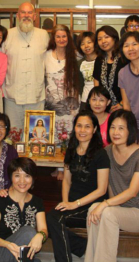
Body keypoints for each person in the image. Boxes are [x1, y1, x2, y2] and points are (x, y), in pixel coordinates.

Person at [85, 110, 139, 262]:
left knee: (108, 213)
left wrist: (105, 205)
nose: (115, 132)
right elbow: (109, 185)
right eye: (112, 127)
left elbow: (132, 192)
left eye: (121, 128)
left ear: (130, 130)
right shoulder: (107, 152)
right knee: (93, 209)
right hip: (120, 209)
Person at [47, 110, 110, 262]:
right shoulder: (71, 150)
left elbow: (101, 189)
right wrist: (65, 203)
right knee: (47, 219)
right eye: (79, 126)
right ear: (74, 128)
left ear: (94, 129)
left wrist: (75, 204)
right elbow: (67, 181)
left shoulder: (100, 154)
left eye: (87, 127)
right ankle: (84, 246)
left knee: (53, 220)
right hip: (73, 203)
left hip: (92, 206)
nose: (82, 130)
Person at [0, 157, 48, 262]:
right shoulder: (0, 201)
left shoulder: (37, 202)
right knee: (29, 232)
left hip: (21, 255)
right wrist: (8, 245)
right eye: (17, 176)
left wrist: (40, 236)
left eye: (27, 176)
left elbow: (43, 229)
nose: (22, 181)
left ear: (33, 179)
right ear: (11, 177)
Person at [1, 2, 50, 133]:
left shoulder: (43, 35)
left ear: (34, 16)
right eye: (23, 12)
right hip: (13, 96)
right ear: (18, 15)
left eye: (29, 13)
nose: (26, 15)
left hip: (37, 96)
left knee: (36, 138)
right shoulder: (7, 35)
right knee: (13, 135)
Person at [44, 24, 80, 145]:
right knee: (52, 137)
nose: (61, 39)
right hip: (51, 104)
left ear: (68, 37)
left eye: (64, 36)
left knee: (69, 137)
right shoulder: (46, 55)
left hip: (70, 105)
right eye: (58, 36)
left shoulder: (76, 55)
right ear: (53, 38)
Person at [92, 26, 127, 112]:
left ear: (114, 38)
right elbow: (97, 87)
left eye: (106, 37)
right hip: (104, 108)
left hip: (124, 107)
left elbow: (132, 86)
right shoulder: (99, 60)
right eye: (99, 39)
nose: (103, 41)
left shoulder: (124, 59)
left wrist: (122, 104)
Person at [76, 32, 98, 111]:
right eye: (82, 44)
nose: (86, 46)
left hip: (100, 101)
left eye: (89, 42)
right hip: (85, 100)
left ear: (95, 43)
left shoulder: (102, 61)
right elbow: (80, 84)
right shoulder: (80, 63)